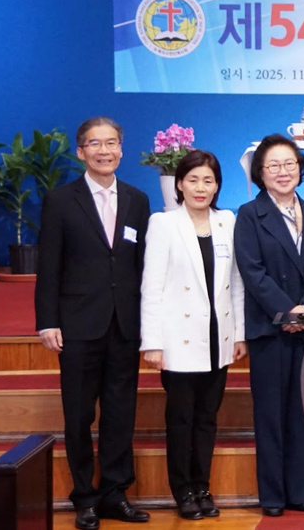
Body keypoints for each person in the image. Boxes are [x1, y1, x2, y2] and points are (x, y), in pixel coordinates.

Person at [35, 116, 151, 529]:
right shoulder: (60, 200)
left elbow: (142, 266)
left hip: (124, 324)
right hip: (78, 325)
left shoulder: (137, 199)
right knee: (79, 415)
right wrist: (47, 321)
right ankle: (84, 496)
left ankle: (115, 493)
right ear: (81, 151)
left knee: (120, 414)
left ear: (122, 148)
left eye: (112, 142)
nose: (105, 151)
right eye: (96, 144)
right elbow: (49, 265)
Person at [139, 150, 248, 519]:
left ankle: (203, 486)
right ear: (180, 185)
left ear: (217, 186)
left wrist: (239, 334)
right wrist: (152, 342)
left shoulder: (227, 221)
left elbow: (237, 283)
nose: (201, 187)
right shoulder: (164, 224)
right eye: (193, 180)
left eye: (208, 180)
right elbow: (152, 287)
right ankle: (182, 490)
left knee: (207, 418)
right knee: (181, 419)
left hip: (219, 337)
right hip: (178, 340)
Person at [234, 134, 304, 516]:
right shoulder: (249, 214)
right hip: (269, 329)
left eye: (289, 164)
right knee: (271, 414)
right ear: (260, 173)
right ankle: (273, 495)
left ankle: (303, 491)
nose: (283, 171)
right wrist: (286, 311)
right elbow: (252, 271)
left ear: (300, 168)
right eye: (273, 165)